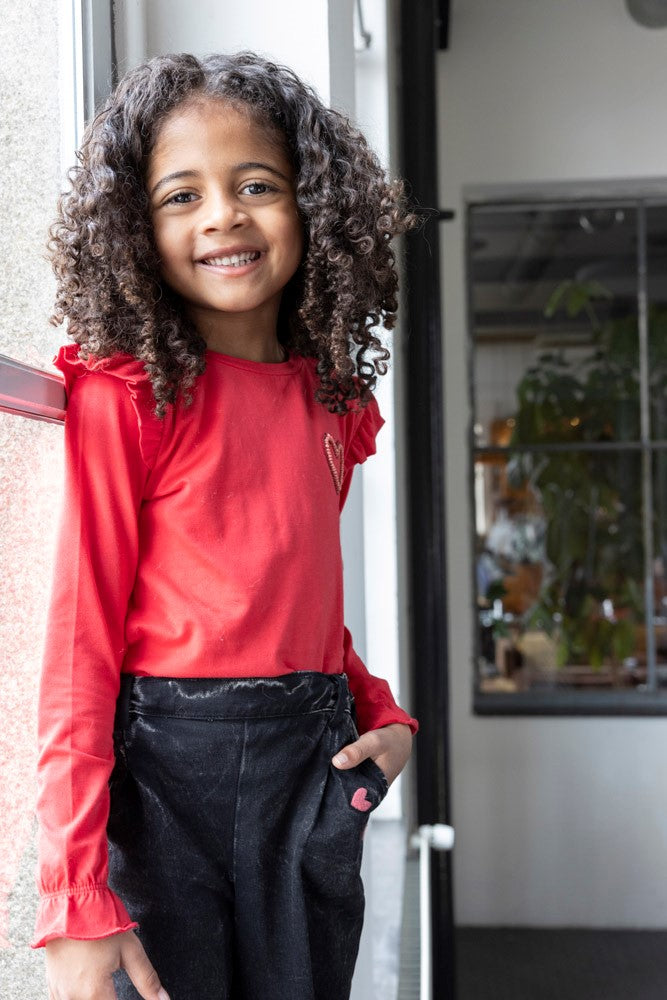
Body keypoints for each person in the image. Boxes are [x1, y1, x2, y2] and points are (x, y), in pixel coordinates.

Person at [32, 51, 418, 1000]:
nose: (222, 216)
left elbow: (296, 604)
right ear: (133, 232)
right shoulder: (127, 403)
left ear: (316, 210)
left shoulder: (331, 404)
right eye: (181, 196)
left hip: (309, 770)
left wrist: (386, 715)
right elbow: (79, 655)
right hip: (163, 790)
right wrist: (77, 894)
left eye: (257, 184)